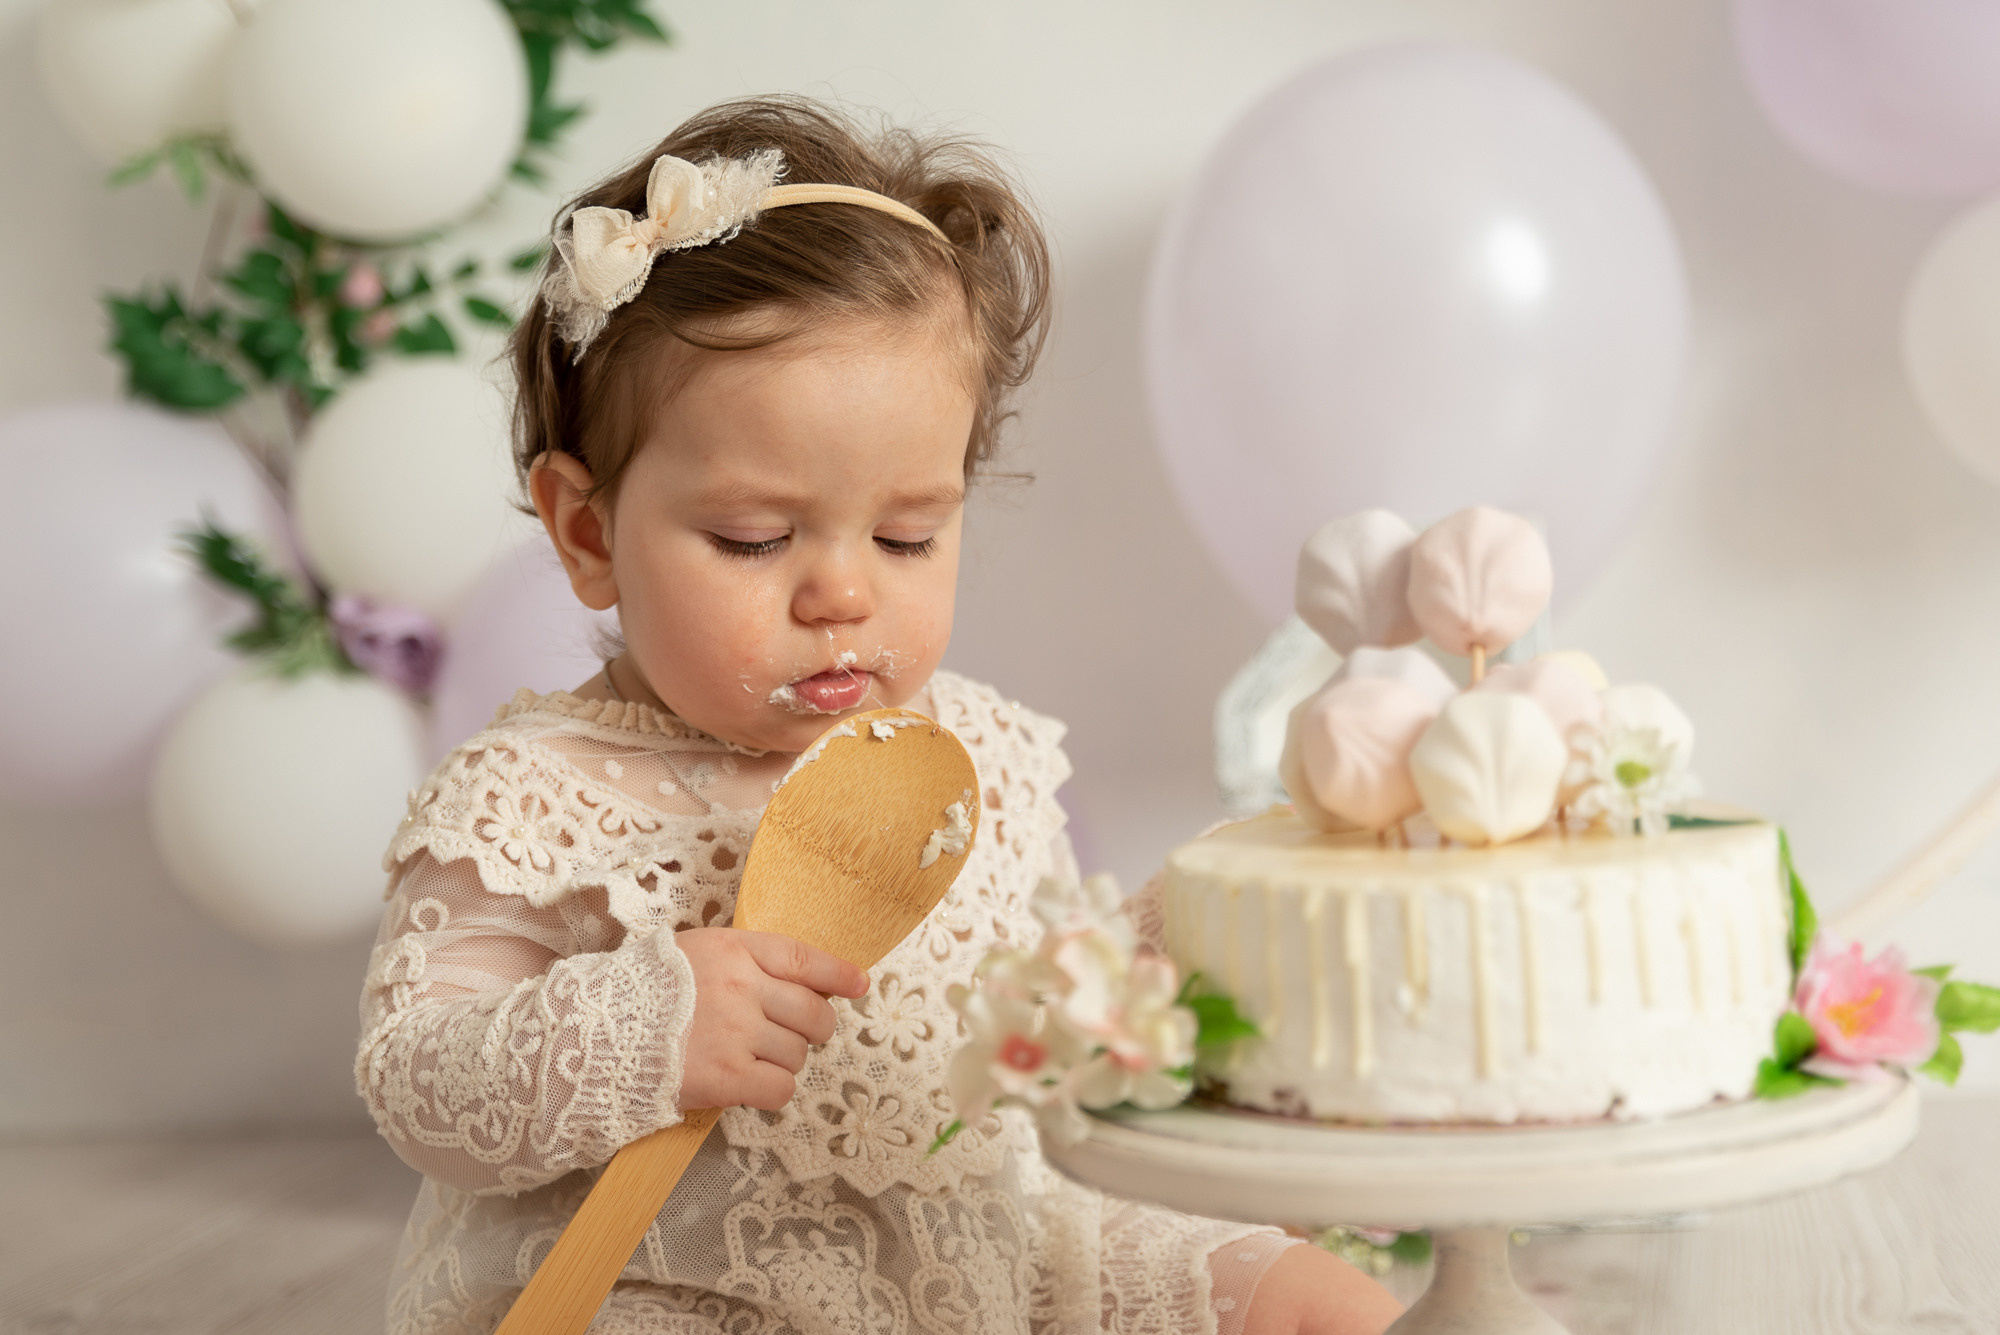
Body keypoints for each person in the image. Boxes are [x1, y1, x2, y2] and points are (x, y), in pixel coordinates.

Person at [356, 95, 1403, 1335]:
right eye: (754, 539)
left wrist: (1198, 922)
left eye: (909, 534)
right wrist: (641, 1026)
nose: (844, 591)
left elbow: (1046, 995)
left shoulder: (975, 757)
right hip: (671, 1274)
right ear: (589, 532)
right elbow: (416, 1080)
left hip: (992, 1238)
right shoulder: (537, 795)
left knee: (1306, 1295)